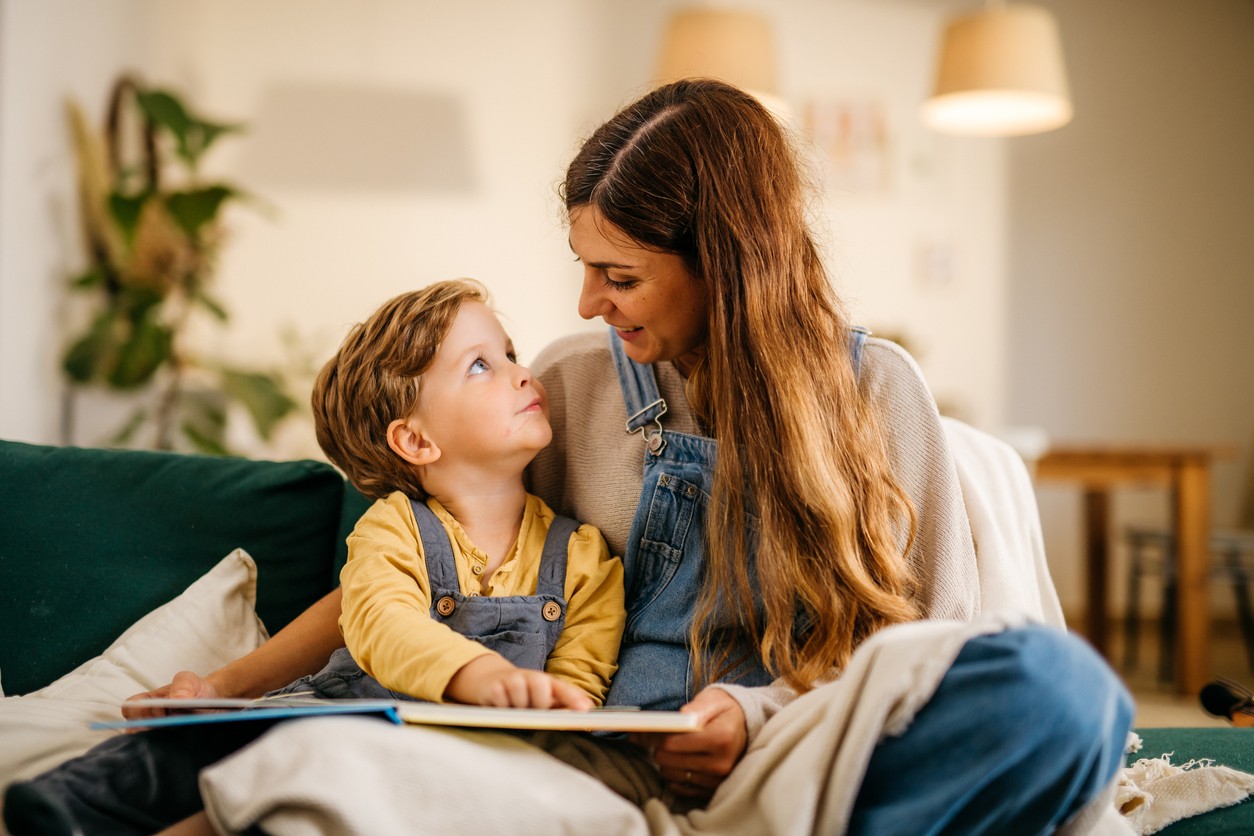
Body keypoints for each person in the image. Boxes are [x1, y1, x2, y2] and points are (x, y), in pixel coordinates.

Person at [17, 79, 1133, 836]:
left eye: (622, 273)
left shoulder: (876, 393)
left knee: (1070, 698)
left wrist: (753, 716)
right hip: (578, 772)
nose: (588, 302)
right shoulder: (571, 382)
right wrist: (232, 686)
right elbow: (405, 577)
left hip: (793, 757)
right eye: (584, 264)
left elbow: (917, 657)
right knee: (312, 754)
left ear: (727, 263)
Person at [3, 279, 625, 834]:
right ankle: (68, 809)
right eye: (481, 366)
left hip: (450, 756)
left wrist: (548, 706)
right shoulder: (394, 529)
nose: (521, 372)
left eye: (510, 354)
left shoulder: (585, 555)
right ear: (415, 439)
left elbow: (578, 685)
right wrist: (481, 677)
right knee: (192, 748)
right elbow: (384, 626)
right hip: (335, 714)